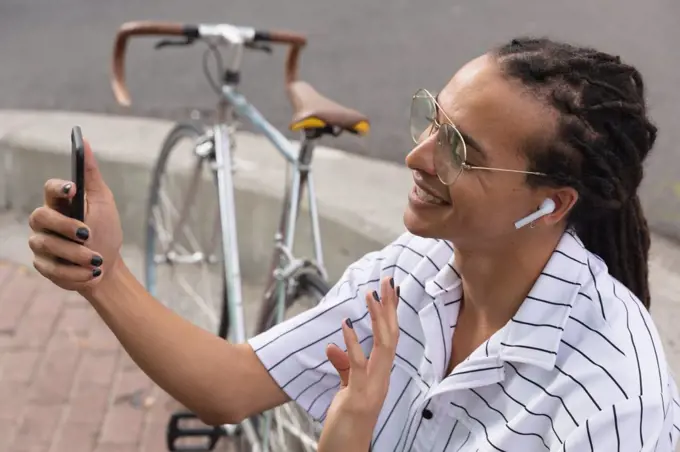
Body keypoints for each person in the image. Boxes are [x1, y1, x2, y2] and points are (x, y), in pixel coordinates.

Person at [27, 36, 679, 451]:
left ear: (552, 202)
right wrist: (101, 271)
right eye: (433, 119)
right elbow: (233, 385)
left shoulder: (613, 399)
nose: (416, 156)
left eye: (458, 150)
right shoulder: (417, 271)